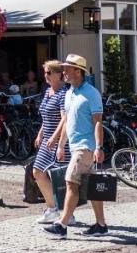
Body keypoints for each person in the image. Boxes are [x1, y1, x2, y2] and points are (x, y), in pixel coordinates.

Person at [45, 54, 108, 237]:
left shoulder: (91, 93)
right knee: (92, 186)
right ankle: (101, 225)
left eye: (67, 68)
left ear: (78, 72)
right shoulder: (69, 93)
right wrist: (60, 145)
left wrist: (99, 147)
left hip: (85, 147)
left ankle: (62, 224)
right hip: (74, 147)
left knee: (71, 181)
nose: (64, 71)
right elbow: (67, 122)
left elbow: (98, 122)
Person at [31, 61, 68, 225]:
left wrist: (55, 137)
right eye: (45, 73)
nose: (45, 76)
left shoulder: (63, 93)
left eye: (49, 73)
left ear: (59, 74)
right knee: (38, 172)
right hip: (47, 141)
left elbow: (64, 119)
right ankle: (53, 209)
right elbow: (46, 116)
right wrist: (40, 134)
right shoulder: (47, 92)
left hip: (59, 141)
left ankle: (65, 212)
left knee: (61, 179)